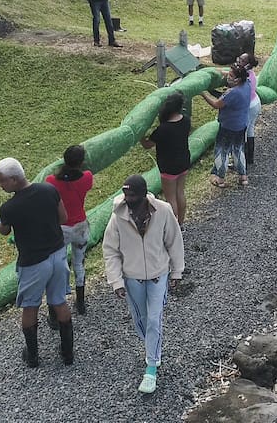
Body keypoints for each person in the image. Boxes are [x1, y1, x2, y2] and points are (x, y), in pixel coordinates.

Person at [103, 175, 184, 394]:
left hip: (159, 275)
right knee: (141, 319)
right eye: (126, 195)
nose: (128, 199)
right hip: (132, 279)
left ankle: (151, 368)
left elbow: (174, 241)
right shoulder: (118, 216)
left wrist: (177, 271)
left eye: (132, 196)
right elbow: (110, 250)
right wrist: (116, 281)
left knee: (154, 319)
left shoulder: (163, 211)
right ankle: (152, 346)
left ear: (143, 195)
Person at [0, 157, 74, 368]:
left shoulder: (9, 208)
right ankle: (68, 353)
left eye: (1, 181)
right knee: (59, 301)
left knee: (30, 306)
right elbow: (63, 218)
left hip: (33, 263)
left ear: (13, 179)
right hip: (58, 254)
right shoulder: (49, 190)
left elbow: (4, 230)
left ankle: (32, 356)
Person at [45, 145, 93, 316]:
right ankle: (81, 304)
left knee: (58, 266)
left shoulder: (51, 181)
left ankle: (55, 308)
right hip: (80, 227)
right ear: (81, 162)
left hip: (61, 228)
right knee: (79, 264)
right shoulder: (87, 178)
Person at [140, 91, 191, 226]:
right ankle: (180, 224)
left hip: (169, 167)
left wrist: (141, 136)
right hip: (184, 162)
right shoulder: (186, 120)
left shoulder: (163, 129)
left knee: (171, 199)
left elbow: (147, 145)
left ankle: (173, 228)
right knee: (180, 193)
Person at [202, 64, 251, 186]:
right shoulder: (247, 84)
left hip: (228, 126)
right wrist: (219, 71)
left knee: (222, 150)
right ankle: (243, 176)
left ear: (237, 79)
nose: (228, 77)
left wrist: (203, 94)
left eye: (230, 75)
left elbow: (216, 104)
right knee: (238, 149)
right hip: (241, 124)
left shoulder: (233, 93)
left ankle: (220, 178)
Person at [236, 52, 261, 166]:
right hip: (255, 103)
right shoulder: (251, 73)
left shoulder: (244, 76)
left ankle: (241, 161)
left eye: (241, 60)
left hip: (249, 106)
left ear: (247, 64)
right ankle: (249, 158)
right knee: (250, 129)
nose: (238, 61)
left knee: (243, 132)